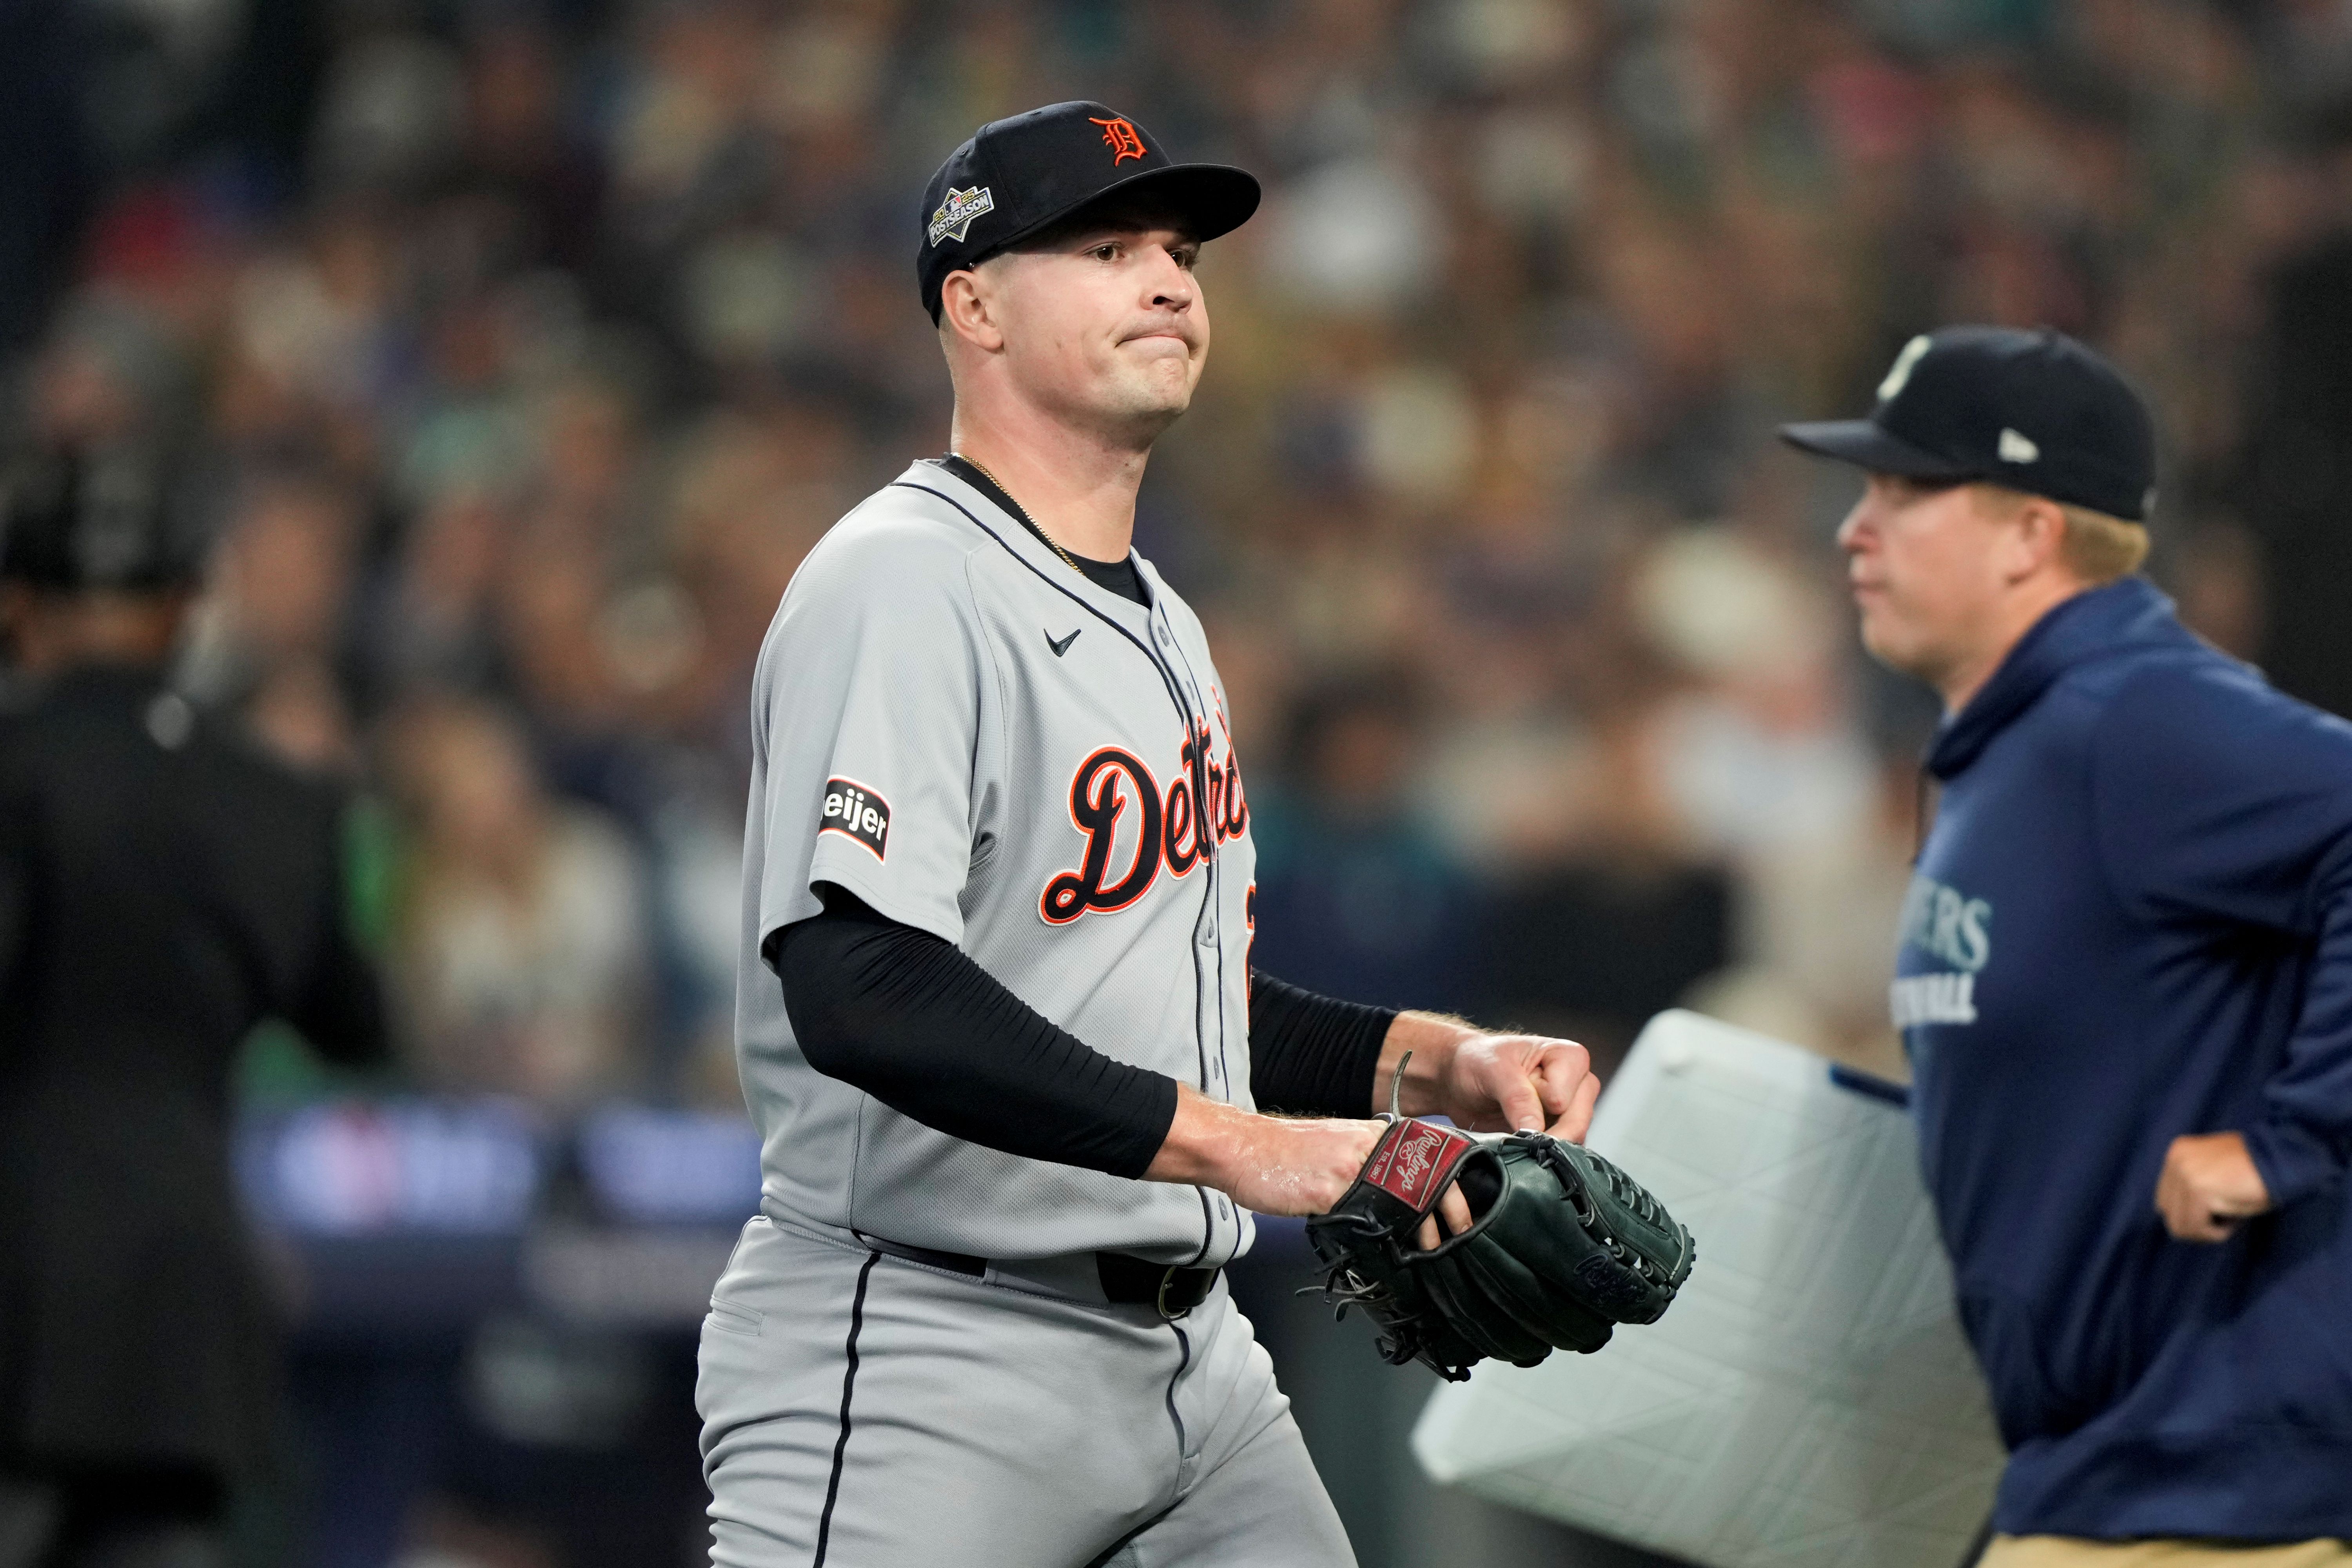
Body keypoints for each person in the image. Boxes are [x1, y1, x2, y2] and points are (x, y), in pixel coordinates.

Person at [698, 102, 1601, 1567]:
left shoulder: (1166, 623)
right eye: (1107, 247)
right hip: (931, 1350)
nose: (1172, 281)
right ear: (974, 305)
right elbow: (858, 983)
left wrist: (1433, 1061)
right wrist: (1261, 1154)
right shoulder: (904, 580)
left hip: (1197, 1369)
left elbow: (1159, 1000)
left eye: (1179, 251)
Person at [1781, 327, 2352, 1565]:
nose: (1854, 529)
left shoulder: (2133, 721)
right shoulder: (2021, 749)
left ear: (2034, 532)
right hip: (2101, 1480)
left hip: (2219, 1503)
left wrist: (2294, 1139)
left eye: (1906, 490)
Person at [0, 444, 390, 1568]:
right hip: (172, 1323)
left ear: (17, 607)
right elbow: (356, 1029)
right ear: (182, 611)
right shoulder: (276, 807)